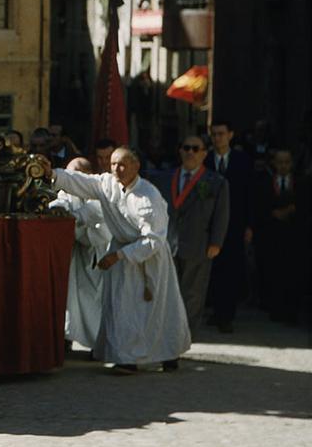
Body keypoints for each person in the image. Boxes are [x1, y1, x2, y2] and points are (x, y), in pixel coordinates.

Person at [52, 147, 190, 373]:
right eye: (114, 164)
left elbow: (153, 240)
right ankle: (125, 358)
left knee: (155, 310)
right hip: (121, 256)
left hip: (148, 259)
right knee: (121, 308)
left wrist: (119, 255)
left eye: (123, 164)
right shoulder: (107, 184)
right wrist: (54, 174)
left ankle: (167, 353)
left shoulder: (148, 195)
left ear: (136, 166)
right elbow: (81, 182)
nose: (118, 169)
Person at [158, 135, 229, 335]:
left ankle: (185, 335)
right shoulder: (165, 178)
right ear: (180, 151)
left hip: (199, 244)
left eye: (195, 149)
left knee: (193, 293)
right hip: (168, 244)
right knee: (168, 292)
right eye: (186, 147)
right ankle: (167, 334)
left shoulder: (216, 182)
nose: (190, 152)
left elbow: (221, 215)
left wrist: (216, 242)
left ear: (204, 154)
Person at [47, 157, 110, 351]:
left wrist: (77, 224)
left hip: (98, 254)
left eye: (74, 173)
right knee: (71, 300)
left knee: (96, 303)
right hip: (76, 256)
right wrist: (57, 210)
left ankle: (99, 343)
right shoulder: (67, 193)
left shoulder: (102, 192)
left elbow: (99, 224)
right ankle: (67, 337)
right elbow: (60, 205)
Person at [204, 119, 252, 332]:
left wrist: (250, 225)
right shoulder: (205, 160)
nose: (217, 138)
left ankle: (227, 315)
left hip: (234, 223)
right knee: (212, 268)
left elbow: (250, 194)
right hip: (209, 224)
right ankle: (216, 310)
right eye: (214, 134)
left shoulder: (242, 161)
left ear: (230, 135)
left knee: (231, 268)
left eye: (221, 134)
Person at [253, 147, 304, 324]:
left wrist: (293, 211)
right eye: (280, 162)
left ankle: (292, 312)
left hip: (295, 237)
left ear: (292, 163)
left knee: (294, 274)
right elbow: (257, 208)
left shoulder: (301, 183)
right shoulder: (264, 183)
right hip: (271, 236)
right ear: (274, 164)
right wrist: (272, 214)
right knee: (272, 273)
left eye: (287, 162)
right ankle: (274, 309)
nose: (283, 165)